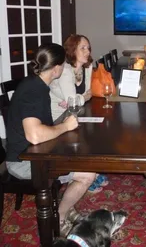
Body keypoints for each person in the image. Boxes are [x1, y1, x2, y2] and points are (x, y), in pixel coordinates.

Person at [5, 43, 96, 236]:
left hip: (35, 153)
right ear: (56, 69)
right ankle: (61, 216)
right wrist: (65, 126)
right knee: (88, 174)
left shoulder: (36, 84)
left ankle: (66, 208)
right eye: (63, 65)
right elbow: (35, 135)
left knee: (80, 152)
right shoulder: (34, 91)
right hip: (24, 162)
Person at [49, 34, 108, 192]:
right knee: (86, 135)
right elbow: (76, 99)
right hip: (57, 119)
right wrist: (80, 98)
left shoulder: (87, 67)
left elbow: (87, 94)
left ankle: (89, 171)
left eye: (88, 47)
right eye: (82, 48)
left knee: (98, 131)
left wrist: (78, 98)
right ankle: (84, 174)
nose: (87, 51)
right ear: (72, 50)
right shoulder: (65, 70)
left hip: (75, 113)